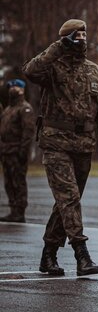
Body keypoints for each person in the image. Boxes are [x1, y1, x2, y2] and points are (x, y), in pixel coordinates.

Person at [23, 19, 98, 276]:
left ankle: (48, 255)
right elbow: (29, 71)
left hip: (84, 145)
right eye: (76, 35)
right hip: (55, 143)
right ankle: (81, 254)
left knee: (65, 203)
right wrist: (57, 47)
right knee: (69, 199)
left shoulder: (95, 71)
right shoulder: (52, 68)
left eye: (85, 34)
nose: (82, 38)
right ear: (66, 38)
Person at [0, 79, 36, 223]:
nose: (12, 89)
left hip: (17, 152)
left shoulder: (25, 108)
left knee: (18, 182)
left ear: (22, 89)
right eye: (11, 86)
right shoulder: (8, 109)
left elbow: (28, 132)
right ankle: (13, 210)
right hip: (6, 152)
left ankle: (20, 212)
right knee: (8, 182)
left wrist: (23, 151)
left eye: (16, 86)